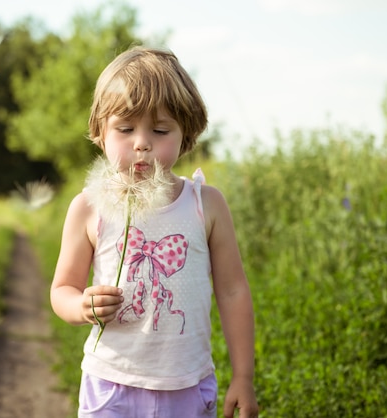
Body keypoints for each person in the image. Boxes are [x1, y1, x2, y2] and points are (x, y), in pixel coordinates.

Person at [50, 46, 258, 418]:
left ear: (186, 135)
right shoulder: (87, 207)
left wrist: (243, 376)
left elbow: (232, 290)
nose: (142, 142)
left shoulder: (205, 204)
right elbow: (62, 289)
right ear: (100, 132)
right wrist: (81, 306)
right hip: (110, 385)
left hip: (187, 387)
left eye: (160, 130)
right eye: (125, 129)